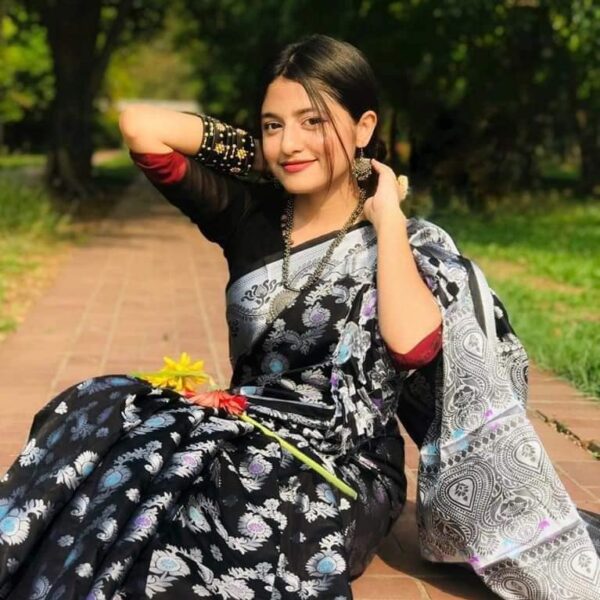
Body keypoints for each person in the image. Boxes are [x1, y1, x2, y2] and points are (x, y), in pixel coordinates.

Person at [0, 33, 598, 600]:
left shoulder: (406, 243)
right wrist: (267, 153)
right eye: (274, 124)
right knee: (106, 420)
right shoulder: (248, 216)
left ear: (364, 127)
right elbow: (142, 128)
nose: (290, 142)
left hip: (342, 463)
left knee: (221, 509)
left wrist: (387, 218)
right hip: (238, 424)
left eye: (314, 122)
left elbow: (412, 345)